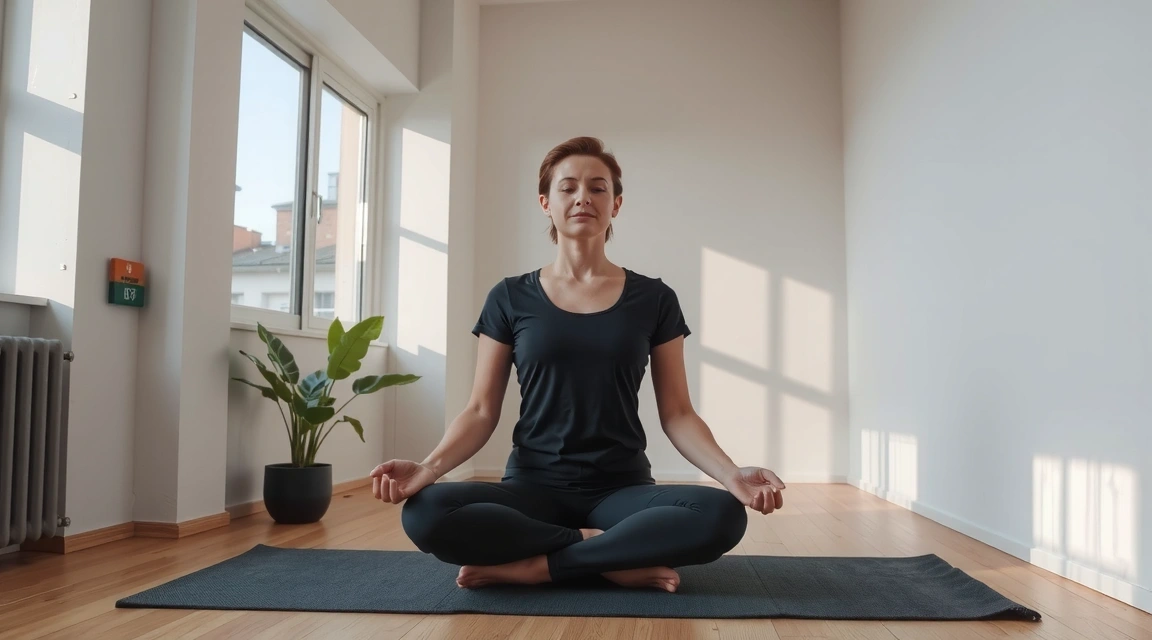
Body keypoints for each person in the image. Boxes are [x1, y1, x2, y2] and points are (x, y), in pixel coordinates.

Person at [369, 136, 785, 593]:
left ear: (616, 204)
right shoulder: (509, 297)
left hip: (622, 489)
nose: (583, 197)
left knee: (722, 514)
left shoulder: (655, 299)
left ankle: (537, 567)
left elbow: (678, 414)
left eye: (598, 187)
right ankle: (608, 553)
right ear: (546, 202)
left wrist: (730, 475)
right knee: (426, 512)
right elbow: (481, 411)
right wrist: (429, 469)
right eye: (568, 187)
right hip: (531, 487)